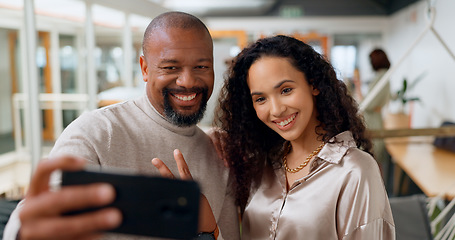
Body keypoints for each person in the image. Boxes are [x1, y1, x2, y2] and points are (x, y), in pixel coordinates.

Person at [3, 11, 240, 240]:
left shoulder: (220, 153)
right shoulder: (96, 132)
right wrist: (26, 233)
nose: (187, 81)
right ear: (145, 68)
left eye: (201, 67)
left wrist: (208, 232)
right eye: (171, 67)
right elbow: (42, 212)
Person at [215, 35, 395, 239]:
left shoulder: (354, 170)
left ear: (314, 85)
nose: (276, 110)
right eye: (261, 99)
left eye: (286, 90)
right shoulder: (262, 163)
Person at [357, 48, 392, 176]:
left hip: (373, 122)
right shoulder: (383, 76)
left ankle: (376, 194)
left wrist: (361, 94)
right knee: (374, 163)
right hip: (373, 120)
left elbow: (369, 105)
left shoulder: (381, 77)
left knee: (373, 163)